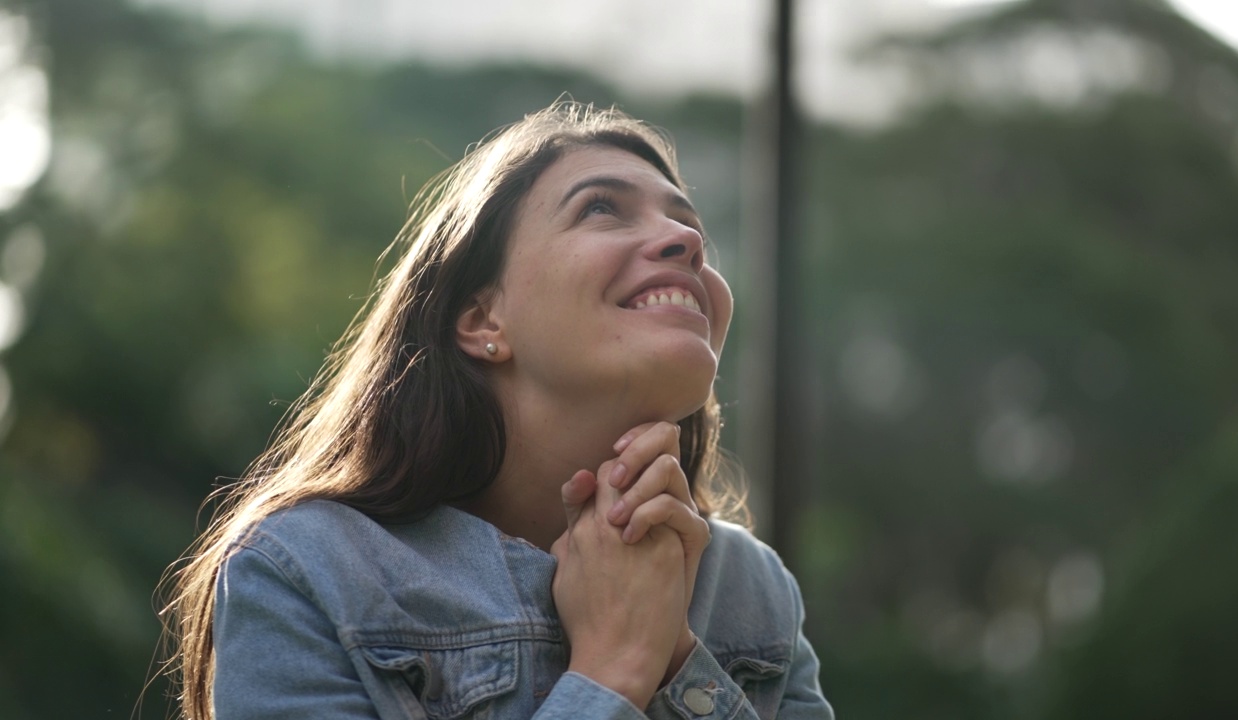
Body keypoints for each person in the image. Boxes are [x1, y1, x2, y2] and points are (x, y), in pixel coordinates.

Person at [162, 101, 833, 719]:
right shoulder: (306, 571)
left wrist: (683, 662)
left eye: (689, 226)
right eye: (602, 209)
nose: (684, 242)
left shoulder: (751, 588)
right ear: (483, 319)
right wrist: (613, 672)